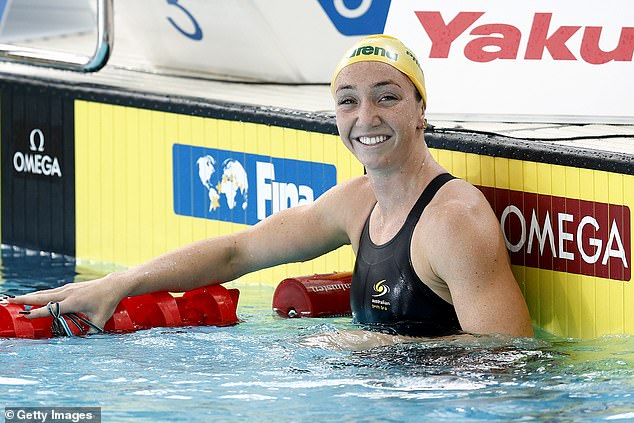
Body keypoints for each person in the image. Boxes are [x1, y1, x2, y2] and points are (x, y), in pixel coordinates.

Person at [10, 35, 533, 339]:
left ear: (421, 109)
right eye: (348, 101)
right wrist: (118, 284)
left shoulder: (452, 221)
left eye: (387, 97)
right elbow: (237, 251)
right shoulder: (357, 202)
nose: (365, 117)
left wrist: (372, 349)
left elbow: (510, 356)